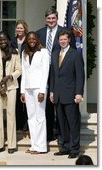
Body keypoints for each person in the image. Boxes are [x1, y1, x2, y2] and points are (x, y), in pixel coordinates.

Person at [36, 7, 76, 142]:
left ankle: (61, 135)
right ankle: (47, 135)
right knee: (46, 105)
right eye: (48, 18)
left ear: (57, 18)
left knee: (61, 107)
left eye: (53, 18)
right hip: (43, 74)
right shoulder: (39, 33)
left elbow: (73, 54)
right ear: (45, 19)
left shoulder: (65, 33)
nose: (51, 20)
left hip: (60, 75)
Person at [50, 30, 84, 159]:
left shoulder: (75, 55)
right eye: (60, 39)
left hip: (70, 95)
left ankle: (74, 149)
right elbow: (53, 75)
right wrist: (52, 91)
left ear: (69, 40)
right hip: (58, 95)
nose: (62, 41)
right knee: (61, 123)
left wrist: (79, 93)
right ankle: (64, 147)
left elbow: (80, 76)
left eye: (65, 39)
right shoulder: (54, 54)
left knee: (72, 123)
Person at [0, 31, 21, 154]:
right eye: (0, 40)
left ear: (8, 39)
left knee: (11, 115)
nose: (2, 42)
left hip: (11, 87)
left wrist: (10, 76)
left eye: (4, 39)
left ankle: (12, 144)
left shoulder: (14, 52)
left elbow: (19, 69)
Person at [20, 31, 50, 154]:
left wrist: (42, 90)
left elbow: (45, 72)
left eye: (33, 38)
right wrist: (22, 91)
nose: (31, 40)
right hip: (28, 88)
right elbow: (24, 73)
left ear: (37, 39)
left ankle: (41, 146)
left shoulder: (43, 52)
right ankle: (34, 145)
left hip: (39, 88)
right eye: (29, 39)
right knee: (31, 117)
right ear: (27, 40)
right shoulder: (24, 53)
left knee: (40, 117)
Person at [11, 20, 29, 133]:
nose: (19, 30)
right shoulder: (12, 41)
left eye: (21, 28)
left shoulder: (29, 40)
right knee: (17, 101)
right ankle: (18, 123)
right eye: (18, 28)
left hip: (27, 73)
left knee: (27, 100)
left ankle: (26, 124)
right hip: (15, 74)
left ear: (25, 29)